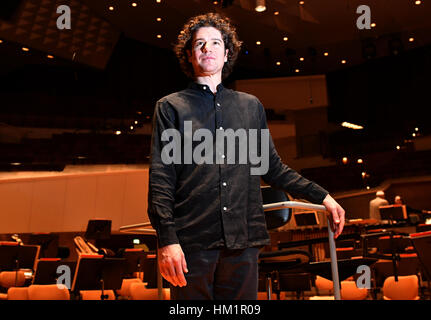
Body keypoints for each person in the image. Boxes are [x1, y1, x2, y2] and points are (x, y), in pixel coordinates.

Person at [147, 12, 345, 300]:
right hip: (192, 242)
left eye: (215, 43)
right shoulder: (170, 107)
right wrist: (167, 240)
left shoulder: (250, 106)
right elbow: (161, 179)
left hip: (244, 240)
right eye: (199, 43)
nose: (207, 48)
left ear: (227, 54)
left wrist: (322, 196)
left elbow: (272, 168)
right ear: (189, 55)